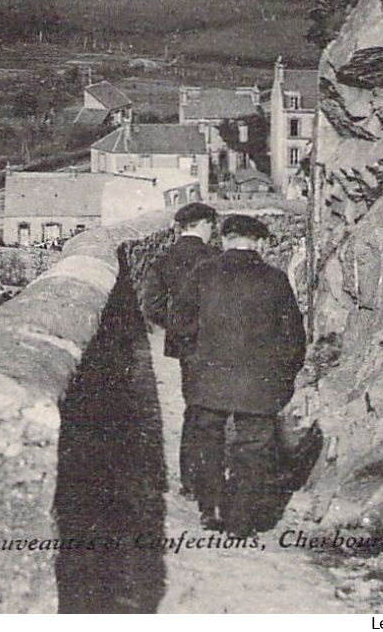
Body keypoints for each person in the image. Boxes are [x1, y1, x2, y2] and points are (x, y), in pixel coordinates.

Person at [180, 214, 307, 537]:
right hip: (258, 382)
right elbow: (293, 336)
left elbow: (180, 325)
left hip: (209, 377)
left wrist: (192, 365)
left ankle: (212, 509)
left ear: (223, 239)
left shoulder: (203, 273)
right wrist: (283, 377)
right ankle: (240, 520)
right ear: (260, 242)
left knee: (207, 440)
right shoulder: (275, 279)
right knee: (252, 447)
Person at [141, 201, 219, 498]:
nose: (213, 231)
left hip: (185, 344)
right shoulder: (215, 257)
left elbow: (153, 307)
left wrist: (177, 327)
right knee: (215, 407)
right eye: (211, 226)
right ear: (203, 224)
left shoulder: (165, 258)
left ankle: (191, 480)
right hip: (215, 341)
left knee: (193, 405)